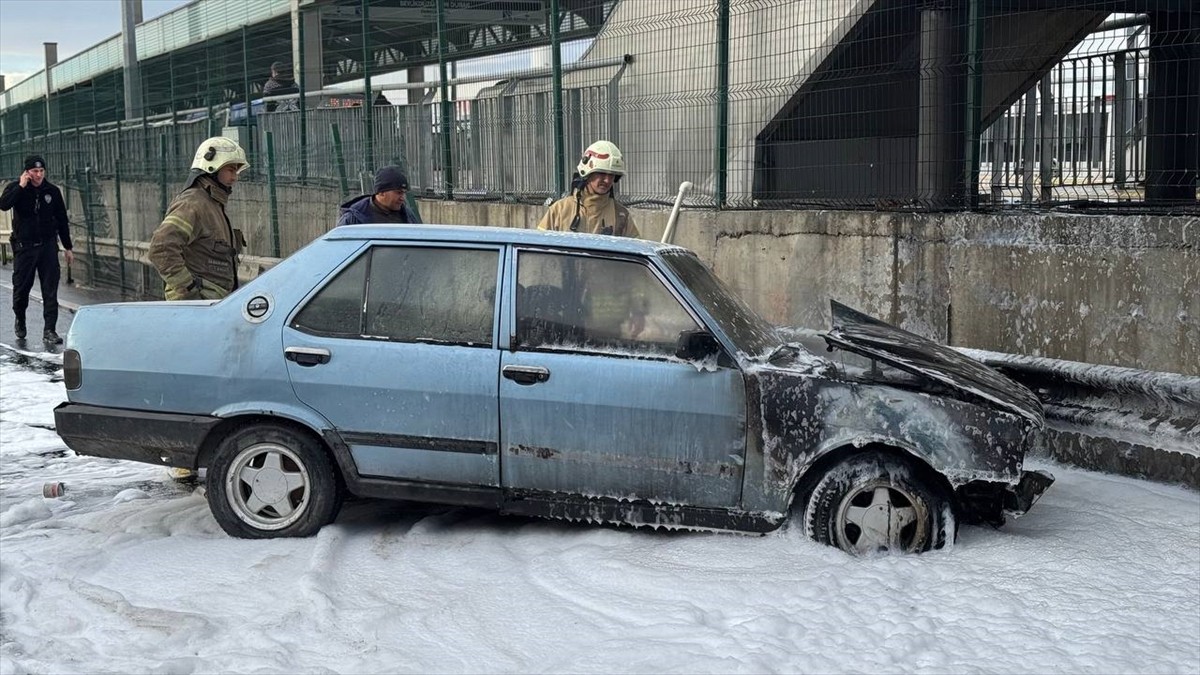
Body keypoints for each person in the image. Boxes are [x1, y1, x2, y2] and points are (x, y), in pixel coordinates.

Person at [149, 137, 248, 302]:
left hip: (211, 306)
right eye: (231, 170)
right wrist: (189, 292)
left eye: (237, 171)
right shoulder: (192, 204)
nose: (235, 177)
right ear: (212, 168)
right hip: (196, 308)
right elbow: (161, 248)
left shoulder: (212, 203)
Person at [0, 155, 74, 343]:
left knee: (50, 289)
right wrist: (21, 186)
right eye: (35, 171)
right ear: (27, 172)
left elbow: (62, 220)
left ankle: (50, 330)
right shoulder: (16, 189)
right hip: (25, 247)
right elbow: (4, 204)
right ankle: (20, 318)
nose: (39, 175)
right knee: (21, 288)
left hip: (48, 246)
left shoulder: (52, 191)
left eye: (41, 171)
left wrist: (67, 246)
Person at [537, 140, 639, 238]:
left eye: (612, 175)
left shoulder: (621, 216)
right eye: (602, 173)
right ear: (587, 173)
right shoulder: (559, 210)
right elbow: (538, 248)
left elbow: (636, 250)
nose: (607, 180)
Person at [337, 166, 421, 225]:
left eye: (404, 193)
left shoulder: (407, 216)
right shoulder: (354, 219)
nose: (402, 198)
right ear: (381, 192)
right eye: (398, 193)